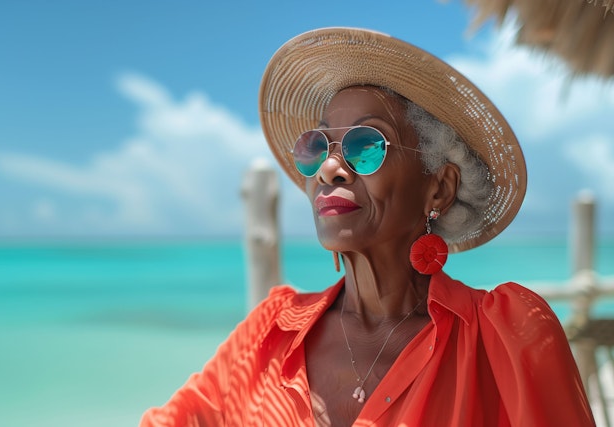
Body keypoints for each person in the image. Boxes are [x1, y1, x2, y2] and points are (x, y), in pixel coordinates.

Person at [140, 27, 595, 426]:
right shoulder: (268, 333)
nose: (330, 168)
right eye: (316, 147)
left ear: (438, 188)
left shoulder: (507, 336)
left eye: (366, 144)